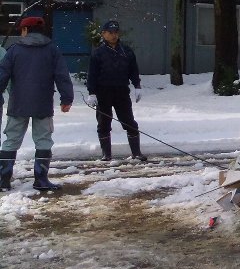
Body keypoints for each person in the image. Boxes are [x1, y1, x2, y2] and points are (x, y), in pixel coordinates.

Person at [0, 16, 74, 191]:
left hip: (18, 104)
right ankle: (41, 179)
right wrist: (67, 98)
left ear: (25, 30)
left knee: (11, 140)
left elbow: (2, 74)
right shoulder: (52, 50)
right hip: (43, 104)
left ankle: (3, 180)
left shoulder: (14, 50)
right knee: (43, 140)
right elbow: (62, 76)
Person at [86, 19, 146, 162]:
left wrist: (137, 85)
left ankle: (136, 153)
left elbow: (133, 70)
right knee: (104, 123)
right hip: (103, 92)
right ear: (104, 34)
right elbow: (92, 74)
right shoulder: (98, 53)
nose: (114, 35)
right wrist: (92, 92)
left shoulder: (126, 51)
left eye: (116, 32)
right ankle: (106, 154)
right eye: (110, 32)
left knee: (129, 121)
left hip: (121, 92)